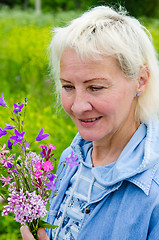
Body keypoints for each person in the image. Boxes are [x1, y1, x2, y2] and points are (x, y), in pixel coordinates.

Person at [21, 5, 159, 240]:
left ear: (141, 80)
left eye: (95, 87)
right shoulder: (71, 158)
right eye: (68, 87)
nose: (77, 106)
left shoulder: (152, 190)